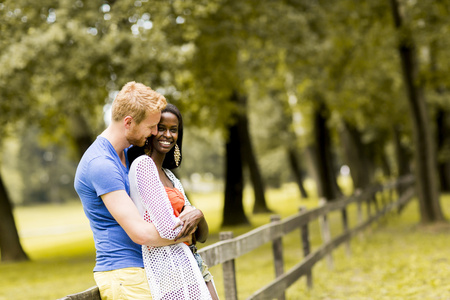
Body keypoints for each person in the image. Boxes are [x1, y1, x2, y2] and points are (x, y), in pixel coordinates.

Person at [74, 81, 192, 300]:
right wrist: (188, 233)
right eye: (151, 126)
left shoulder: (128, 154)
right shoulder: (101, 164)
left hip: (147, 268)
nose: (155, 132)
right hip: (126, 275)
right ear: (128, 122)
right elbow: (141, 232)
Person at [128, 103, 219, 300]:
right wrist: (191, 219)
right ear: (151, 131)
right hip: (169, 269)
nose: (167, 135)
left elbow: (201, 235)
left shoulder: (170, 176)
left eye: (174, 130)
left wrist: (198, 215)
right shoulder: (143, 166)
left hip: (193, 262)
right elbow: (170, 230)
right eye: (161, 128)